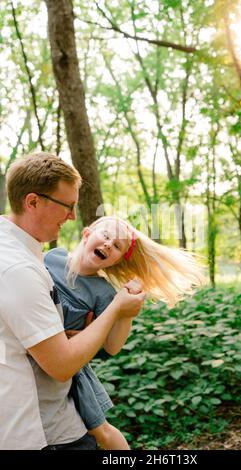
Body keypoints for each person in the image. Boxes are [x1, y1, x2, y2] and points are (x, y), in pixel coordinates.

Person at [0, 152, 145, 450]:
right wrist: (117, 309)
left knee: (101, 429)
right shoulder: (26, 266)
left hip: (54, 402)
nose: (72, 216)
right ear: (33, 202)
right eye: (67, 206)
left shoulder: (27, 253)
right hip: (33, 419)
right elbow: (61, 363)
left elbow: (107, 346)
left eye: (117, 246)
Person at [44, 215, 205, 449]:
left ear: (117, 260)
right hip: (36, 346)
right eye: (106, 236)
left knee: (100, 431)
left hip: (69, 363)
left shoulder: (103, 292)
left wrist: (126, 311)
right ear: (87, 233)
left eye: (117, 245)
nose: (109, 244)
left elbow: (113, 346)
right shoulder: (52, 257)